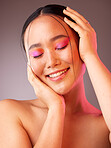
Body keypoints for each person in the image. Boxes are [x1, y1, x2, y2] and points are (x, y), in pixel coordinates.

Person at [0, 4, 111, 148]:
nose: (51, 62)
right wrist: (56, 108)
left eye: (61, 46)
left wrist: (90, 55)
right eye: (37, 54)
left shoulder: (105, 125)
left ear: (82, 45)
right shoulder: (10, 113)